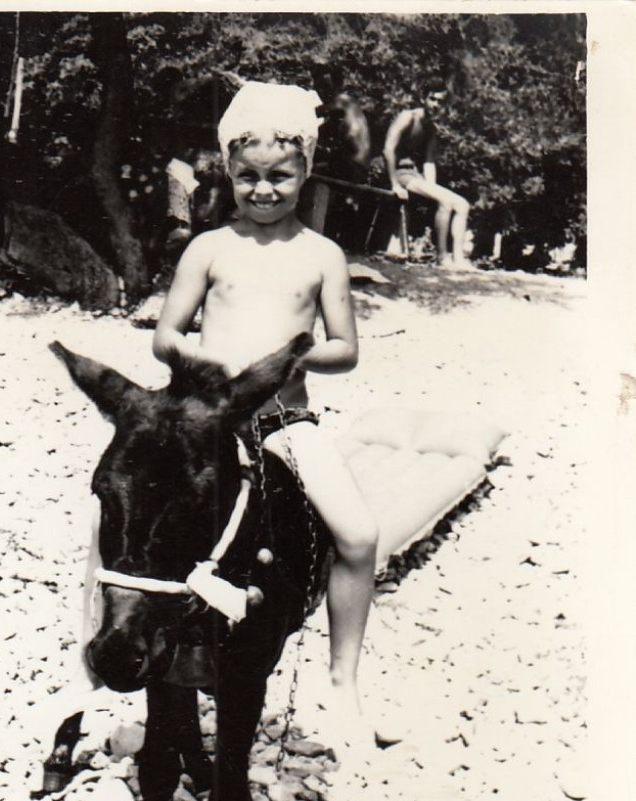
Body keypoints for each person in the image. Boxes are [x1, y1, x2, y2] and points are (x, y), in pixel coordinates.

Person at [153, 80, 389, 754]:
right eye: (248, 176)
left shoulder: (321, 256)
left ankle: (342, 681)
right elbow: (166, 334)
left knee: (358, 531)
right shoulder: (208, 248)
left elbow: (346, 347)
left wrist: (298, 358)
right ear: (228, 170)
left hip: (284, 424)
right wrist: (202, 360)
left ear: (305, 170)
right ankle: (97, 662)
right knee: (120, 513)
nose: (262, 190)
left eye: (279, 177)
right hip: (204, 414)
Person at [382, 80, 472, 269]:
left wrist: (433, 189)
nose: (435, 105)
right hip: (400, 173)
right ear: (423, 98)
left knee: (463, 205)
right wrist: (394, 184)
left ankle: (458, 259)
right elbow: (388, 150)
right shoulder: (408, 117)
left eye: (440, 102)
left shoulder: (431, 128)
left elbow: (429, 161)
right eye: (432, 99)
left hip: (416, 176)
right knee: (446, 201)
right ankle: (442, 257)